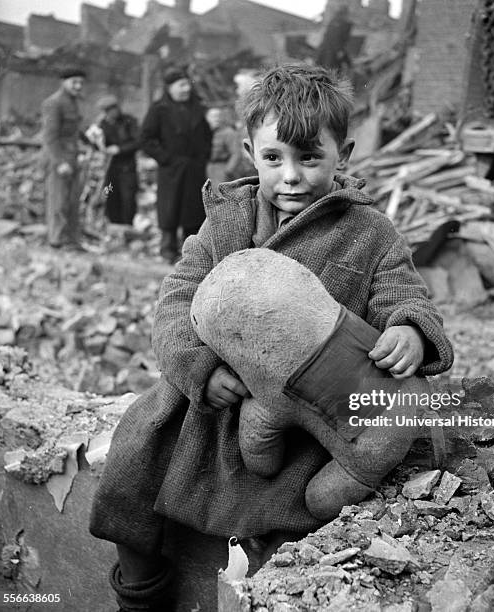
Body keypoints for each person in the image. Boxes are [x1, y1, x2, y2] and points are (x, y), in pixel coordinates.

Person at [90, 64, 454, 611]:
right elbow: (176, 297)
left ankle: (267, 579)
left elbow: (403, 293)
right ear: (248, 152)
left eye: (311, 158)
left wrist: (409, 331)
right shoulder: (226, 221)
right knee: (137, 454)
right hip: (215, 402)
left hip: (304, 414)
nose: (291, 177)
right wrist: (198, 368)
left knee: (298, 508)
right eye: (273, 158)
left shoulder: (368, 233)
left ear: (344, 154)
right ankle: (139, 591)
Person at [140, 66, 212, 264]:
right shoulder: (159, 109)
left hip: (194, 168)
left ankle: (190, 253)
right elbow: (146, 139)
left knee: (193, 211)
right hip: (171, 169)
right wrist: (166, 159)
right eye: (181, 85)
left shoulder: (197, 107)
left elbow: (206, 136)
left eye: (187, 85)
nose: (186, 89)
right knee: (170, 209)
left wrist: (202, 157)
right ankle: (167, 250)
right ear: (170, 88)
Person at [41, 66, 88, 250]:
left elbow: (74, 131)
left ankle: (71, 240)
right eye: (74, 82)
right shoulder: (54, 103)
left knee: (72, 201)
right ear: (64, 82)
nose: (78, 86)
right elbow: (50, 136)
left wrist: (88, 140)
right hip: (58, 158)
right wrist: (59, 162)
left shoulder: (74, 102)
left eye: (81, 83)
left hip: (73, 157)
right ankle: (56, 240)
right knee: (58, 200)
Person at [96, 95, 140, 226]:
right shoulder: (102, 124)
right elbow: (98, 144)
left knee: (128, 198)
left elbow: (138, 141)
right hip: (110, 171)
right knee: (109, 195)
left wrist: (119, 149)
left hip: (127, 170)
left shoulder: (129, 121)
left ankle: (127, 226)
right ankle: (113, 224)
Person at [205, 106, 244, 185]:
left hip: (220, 167)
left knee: (218, 194)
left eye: (219, 116)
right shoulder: (203, 132)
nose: (217, 119)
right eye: (213, 116)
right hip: (205, 167)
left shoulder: (228, 132)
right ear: (207, 118)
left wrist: (227, 171)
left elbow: (236, 154)